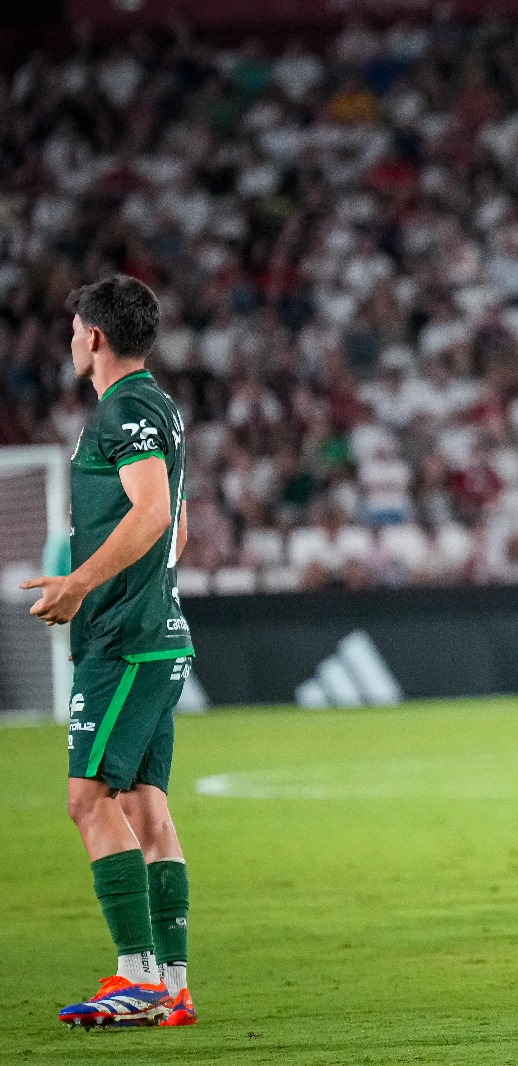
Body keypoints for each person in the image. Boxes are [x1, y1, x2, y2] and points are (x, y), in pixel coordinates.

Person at [21, 276, 197, 1027]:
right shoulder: (161, 407)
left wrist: (83, 584)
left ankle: (139, 978)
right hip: (156, 636)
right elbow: (178, 527)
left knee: (88, 800)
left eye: (72, 328)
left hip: (124, 643)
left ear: (93, 336)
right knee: (145, 807)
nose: (67, 340)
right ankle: (174, 983)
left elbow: (157, 513)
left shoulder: (122, 410)